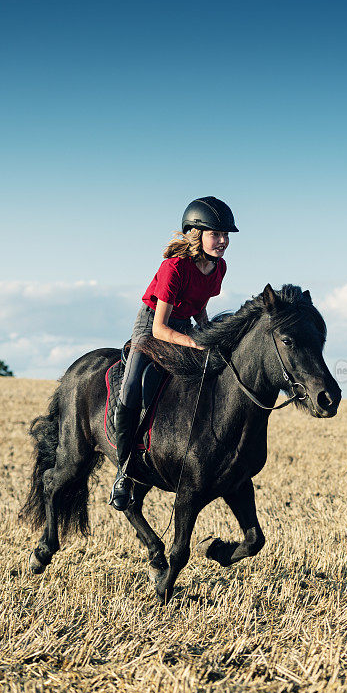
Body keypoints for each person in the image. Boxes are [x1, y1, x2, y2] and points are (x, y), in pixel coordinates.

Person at [109, 196, 238, 511]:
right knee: (131, 392)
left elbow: (201, 304)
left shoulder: (218, 267)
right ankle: (124, 472)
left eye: (226, 236)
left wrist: (210, 334)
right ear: (196, 233)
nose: (223, 241)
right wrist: (197, 343)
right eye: (216, 234)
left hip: (186, 327)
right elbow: (159, 329)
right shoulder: (173, 267)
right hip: (152, 326)